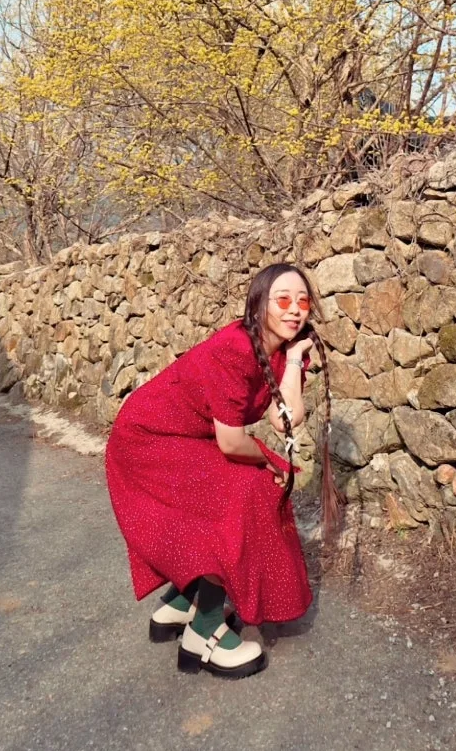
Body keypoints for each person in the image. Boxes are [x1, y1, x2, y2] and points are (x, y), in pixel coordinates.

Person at [105, 262, 341, 680]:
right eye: (283, 299)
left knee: (245, 490)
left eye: (303, 301)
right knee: (243, 494)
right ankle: (204, 632)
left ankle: (183, 602)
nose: (295, 309)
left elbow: (284, 420)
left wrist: (292, 362)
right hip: (146, 438)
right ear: (259, 304)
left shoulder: (280, 349)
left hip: (184, 436)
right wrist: (268, 461)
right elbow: (232, 443)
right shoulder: (236, 348)